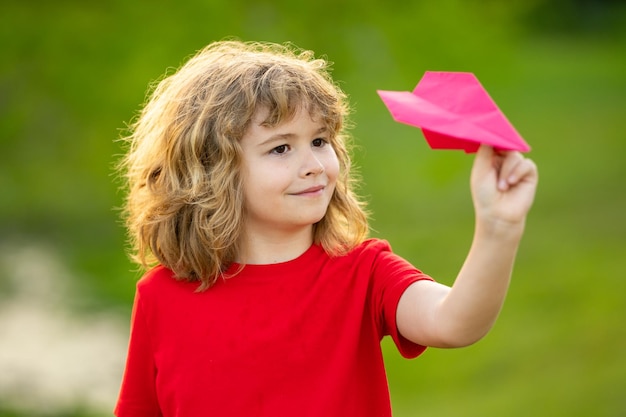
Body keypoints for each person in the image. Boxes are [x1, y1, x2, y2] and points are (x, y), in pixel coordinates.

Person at [114, 40, 538, 417]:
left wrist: (499, 227)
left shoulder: (365, 272)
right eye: (281, 148)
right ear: (212, 172)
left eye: (320, 141)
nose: (315, 165)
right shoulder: (161, 297)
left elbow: (455, 322)